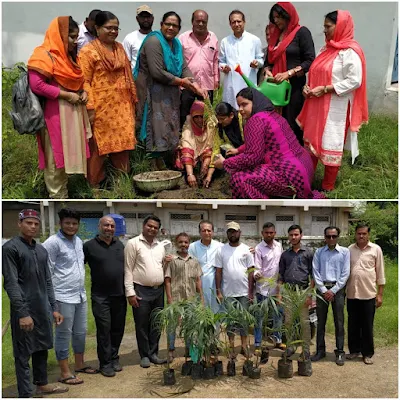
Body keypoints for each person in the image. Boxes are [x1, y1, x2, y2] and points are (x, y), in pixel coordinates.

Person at [297, 10, 368, 192]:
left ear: (341, 26)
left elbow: (355, 80)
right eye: (324, 27)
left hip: (336, 105)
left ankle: (327, 187)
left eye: (328, 26)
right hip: (315, 103)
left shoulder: (350, 52)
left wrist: (327, 89)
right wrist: (308, 87)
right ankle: (307, 183)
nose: (325, 31)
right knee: (311, 142)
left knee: (331, 142)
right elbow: (315, 73)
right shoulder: (325, 49)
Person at [213, 87, 324, 199]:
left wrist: (226, 163)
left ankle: (265, 211)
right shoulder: (273, 116)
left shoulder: (255, 121)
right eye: (239, 106)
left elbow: (252, 157)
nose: (240, 109)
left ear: (255, 102)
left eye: (244, 104)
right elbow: (259, 142)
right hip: (304, 169)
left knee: (239, 179)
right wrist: (238, 151)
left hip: (289, 175)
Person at [2, 210, 68, 398]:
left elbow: (48, 281)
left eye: (36, 224)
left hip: (42, 309)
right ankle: (25, 393)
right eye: (28, 222)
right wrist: (22, 313)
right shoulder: (10, 248)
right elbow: (11, 283)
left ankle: (42, 384)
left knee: (42, 347)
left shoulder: (40, 250)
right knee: (23, 353)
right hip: (24, 310)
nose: (32, 226)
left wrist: (54, 308)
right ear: (19, 224)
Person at [27, 16, 92, 199]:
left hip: (72, 113)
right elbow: (36, 85)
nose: (75, 41)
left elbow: (80, 80)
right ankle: (57, 197)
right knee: (55, 159)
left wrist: (83, 91)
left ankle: (63, 194)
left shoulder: (70, 57)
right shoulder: (43, 55)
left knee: (64, 158)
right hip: (53, 115)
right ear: (59, 35)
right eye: (71, 36)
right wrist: (67, 95)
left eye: (77, 36)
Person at [134, 11, 208, 170]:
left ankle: (163, 160)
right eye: (168, 24)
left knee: (168, 125)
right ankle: (150, 164)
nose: (171, 28)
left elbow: (183, 67)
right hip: (152, 92)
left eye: (175, 25)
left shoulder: (176, 45)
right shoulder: (154, 41)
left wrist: (196, 86)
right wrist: (183, 82)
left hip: (170, 92)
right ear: (161, 25)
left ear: (179, 28)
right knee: (154, 126)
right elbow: (157, 72)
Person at [79, 11, 137, 188]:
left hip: (122, 106)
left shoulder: (120, 48)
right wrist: (90, 107)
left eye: (116, 28)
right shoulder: (88, 52)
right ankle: (94, 186)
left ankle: (121, 184)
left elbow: (128, 75)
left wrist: (134, 99)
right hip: (100, 108)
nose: (113, 31)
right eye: (108, 28)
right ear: (97, 28)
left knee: (123, 146)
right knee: (98, 147)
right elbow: (84, 81)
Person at [43, 208, 96, 385]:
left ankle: (79, 364)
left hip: (80, 296)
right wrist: (52, 303)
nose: (71, 226)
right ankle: (65, 372)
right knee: (63, 334)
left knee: (80, 332)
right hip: (62, 296)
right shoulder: (52, 243)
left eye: (74, 223)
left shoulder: (78, 241)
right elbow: (46, 272)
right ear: (61, 223)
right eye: (68, 223)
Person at [265, 2, 315, 145]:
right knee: (274, 125)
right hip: (275, 88)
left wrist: (289, 73)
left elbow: (310, 60)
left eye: (279, 17)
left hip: (293, 89)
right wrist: (268, 70)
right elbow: (269, 60)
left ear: (289, 16)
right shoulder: (276, 35)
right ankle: (278, 160)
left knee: (291, 125)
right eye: (274, 17)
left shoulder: (301, 32)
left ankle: (296, 162)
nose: (276, 21)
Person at [83, 216, 127, 377]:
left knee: (118, 329)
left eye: (112, 226)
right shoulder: (89, 246)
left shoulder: (119, 245)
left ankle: (114, 358)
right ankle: (105, 363)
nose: (109, 228)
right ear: (99, 226)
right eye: (106, 225)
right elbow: (78, 266)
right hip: (100, 297)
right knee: (104, 330)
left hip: (119, 295)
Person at [124, 215, 168, 368]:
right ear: (144, 226)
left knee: (156, 322)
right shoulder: (133, 243)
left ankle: (154, 353)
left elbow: (162, 267)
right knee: (142, 323)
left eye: (155, 227)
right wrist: (130, 292)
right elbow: (128, 269)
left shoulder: (160, 246)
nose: (152, 229)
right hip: (140, 290)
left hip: (158, 291)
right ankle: (144, 355)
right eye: (149, 226)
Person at [346, 223, 385, 365]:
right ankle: (354, 350)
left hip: (369, 294)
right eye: (359, 233)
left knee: (367, 325)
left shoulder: (376, 249)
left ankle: (367, 353)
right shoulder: (349, 249)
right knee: (353, 324)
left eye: (364, 233)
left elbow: (380, 273)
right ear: (355, 234)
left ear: (368, 234)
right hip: (351, 294)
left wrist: (380, 294)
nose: (361, 236)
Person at [311, 226, 350, 366]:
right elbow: (315, 272)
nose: (331, 239)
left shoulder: (345, 252)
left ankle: (339, 352)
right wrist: (323, 289)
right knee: (320, 322)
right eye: (328, 236)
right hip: (322, 289)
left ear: (338, 237)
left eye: (334, 236)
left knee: (339, 322)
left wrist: (333, 290)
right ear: (324, 237)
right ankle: (320, 351)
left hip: (338, 290)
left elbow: (346, 273)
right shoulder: (319, 252)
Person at [215, 222, 254, 358]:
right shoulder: (221, 250)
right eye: (230, 231)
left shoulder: (246, 250)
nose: (233, 234)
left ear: (240, 233)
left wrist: (250, 292)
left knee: (243, 321)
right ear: (227, 234)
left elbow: (251, 272)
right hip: (228, 293)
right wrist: (218, 291)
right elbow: (218, 272)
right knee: (230, 321)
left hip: (243, 292)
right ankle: (231, 347)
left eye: (235, 231)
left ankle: (244, 346)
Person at [277, 225, 314, 363]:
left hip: (303, 292)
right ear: (288, 236)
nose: (293, 237)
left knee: (304, 322)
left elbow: (313, 276)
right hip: (289, 293)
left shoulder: (308, 253)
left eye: (296, 234)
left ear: (301, 235)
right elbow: (280, 275)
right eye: (291, 235)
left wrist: (310, 295)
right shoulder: (285, 255)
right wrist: (280, 294)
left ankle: (305, 350)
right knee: (288, 322)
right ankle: (290, 347)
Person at [164, 232, 203, 361]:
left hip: (191, 299)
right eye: (180, 242)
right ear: (176, 243)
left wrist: (201, 299)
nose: (183, 245)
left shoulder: (194, 261)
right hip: (176, 298)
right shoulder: (172, 261)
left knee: (189, 324)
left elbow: (197, 281)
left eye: (186, 242)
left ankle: (188, 348)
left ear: (189, 243)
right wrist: (169, 298)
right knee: (172, 325)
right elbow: (168, 280)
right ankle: (171, 350)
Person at [249, 222, 284, 361]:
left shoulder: (279, 246)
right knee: (260, 317)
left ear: (274, 233)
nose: (269, 235)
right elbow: (256, 267)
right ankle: (257, 343)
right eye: (266, 233)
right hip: (262, 289)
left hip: (276, 288)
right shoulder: (258, 248)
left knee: (278, 315)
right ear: (262, 233)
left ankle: (278, 339)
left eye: (271, 232)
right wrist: (256, 274)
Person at [179, 10, 219, 128]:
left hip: (207, 84)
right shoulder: (183, 38)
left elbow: (215, 60)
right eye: (198, 21)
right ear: (192, 22)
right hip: (188, 84)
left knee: (206, 115)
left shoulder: (213, 38)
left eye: (203, 21)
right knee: (185, 115)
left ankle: (204, 141)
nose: (201, 24)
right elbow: (179, 61)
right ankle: (185, 140)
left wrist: (216, 80)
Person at [219, 10, 264, 109]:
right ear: (230, 24)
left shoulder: (254, 40)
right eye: (233, 22)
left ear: (244, 22)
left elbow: (261, 60)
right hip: (231, 83)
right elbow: (221, 62)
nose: (236, 24)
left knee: (248, 110)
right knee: (232, 112)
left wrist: (257, 63)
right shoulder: (225, 41)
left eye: (239, 21)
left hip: (248, 82)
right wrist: (223, 67)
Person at [175, 100, 217, 188]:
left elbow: (210, 146)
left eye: (201, 117)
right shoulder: (188, 125)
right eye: (196, 117)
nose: (199, 120)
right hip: (191, 154)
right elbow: (186, 147)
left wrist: (205, 165)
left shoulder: (210, 124)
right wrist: (190, 174)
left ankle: (202, 173)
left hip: (205, 153)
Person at [204, 102, 244, 188]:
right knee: (224, 149)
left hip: (248, 151)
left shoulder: (243, 120)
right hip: (235, 154)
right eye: (218, 119)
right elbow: (216, 149)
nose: (220, 122)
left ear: (231, 115)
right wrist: (209, 175)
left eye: (222, 119)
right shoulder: (220, 127)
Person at [189, 220, 223, 313]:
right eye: (204, 230)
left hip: (216, 283)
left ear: (212, 232)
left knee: (217, 309)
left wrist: (250, 251)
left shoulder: (220, 246)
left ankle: (217, 327)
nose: (207, 233)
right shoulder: (193, 247)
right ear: (200, 232)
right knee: (201, 309)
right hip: (200, 282)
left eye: (209, 230)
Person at [123, 5, 154, 72]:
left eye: (148, 17)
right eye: (143, 17)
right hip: (136, 79)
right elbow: (126, 63)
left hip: (156, 80)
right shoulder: (129, 38)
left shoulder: (158, 37)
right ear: (137, 19)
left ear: (152, 18)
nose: (146, 19)